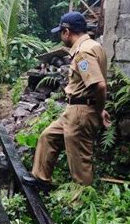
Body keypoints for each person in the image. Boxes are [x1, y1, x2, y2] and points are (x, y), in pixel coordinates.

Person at [22, 12, 111, 188]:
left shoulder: (83, 53)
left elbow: (99, 85)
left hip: (81, 112)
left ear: (67, 32)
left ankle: (81, 201)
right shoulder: (94, 45)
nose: (61, 37)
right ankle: (41, 178)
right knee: (48, 137)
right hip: (74, 110)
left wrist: (99, 110)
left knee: (79, 163)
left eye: (61, 33)